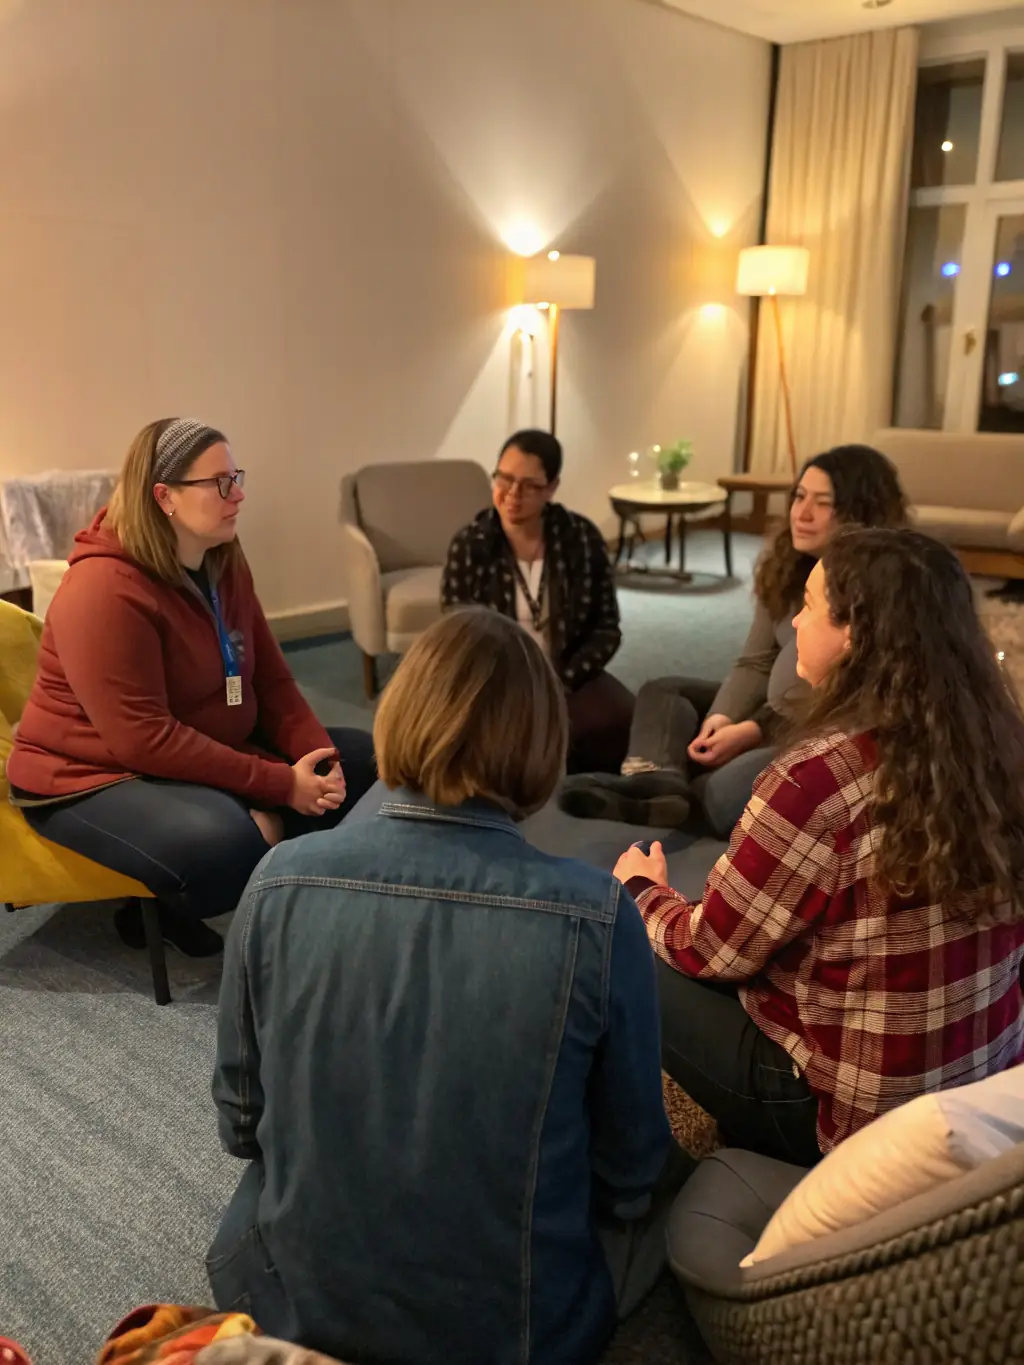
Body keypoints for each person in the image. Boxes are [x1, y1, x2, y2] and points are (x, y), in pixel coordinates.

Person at [208, 608, 689, 1365]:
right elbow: (630, 1171)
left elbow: (242, 1123)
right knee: (678, 1199)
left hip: (288, 1308)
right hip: (518, 1330)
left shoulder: (273, 883)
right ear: (541, 742)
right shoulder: (600, 917)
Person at [612, 527, 1024, 1166]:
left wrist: (641, 892)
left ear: (855, 633)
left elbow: (710, 950)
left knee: (625, 948)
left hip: (856, 1126)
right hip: (986, 1090)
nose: (797, 620)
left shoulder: (819, 778)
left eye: (809, 604)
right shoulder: (1001, 744)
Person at [8, 418, 376, 957]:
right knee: (222, 846)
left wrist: (315, 758)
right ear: (165, 497)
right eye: (221, 483)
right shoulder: (103, 590)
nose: (240, 494)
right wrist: (277, 784)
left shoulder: (224, 558)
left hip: (198, 745)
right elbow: (143, 740)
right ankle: (176, 892)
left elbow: (270, 679)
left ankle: (258, 846)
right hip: (89, 775)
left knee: (367, 760)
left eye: (237, 477)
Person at [560, 444, 908, 834]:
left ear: (861, 512)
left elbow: (845, 706)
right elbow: (755, 661)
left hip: (811, 733)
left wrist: (754, 730)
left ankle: (674, 793)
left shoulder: (880, 589)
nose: (802, 513)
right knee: (663, 692)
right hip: (766, 712)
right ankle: (656, 780)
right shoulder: (789, 566)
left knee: (725, 795)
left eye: (822, 503)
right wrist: (721, 718)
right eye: (798, 497)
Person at [441, 429, 634, 774]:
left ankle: (589, 796)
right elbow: (456, 634)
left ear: (552, 488)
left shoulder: (581, 539)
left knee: (618, 718)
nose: (512, 495)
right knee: (474, 733)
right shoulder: (470, 544)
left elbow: (606, 628)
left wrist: (562, 681)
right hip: (494, 676)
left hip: (567, 671)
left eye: (529, 485)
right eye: (505, 479)